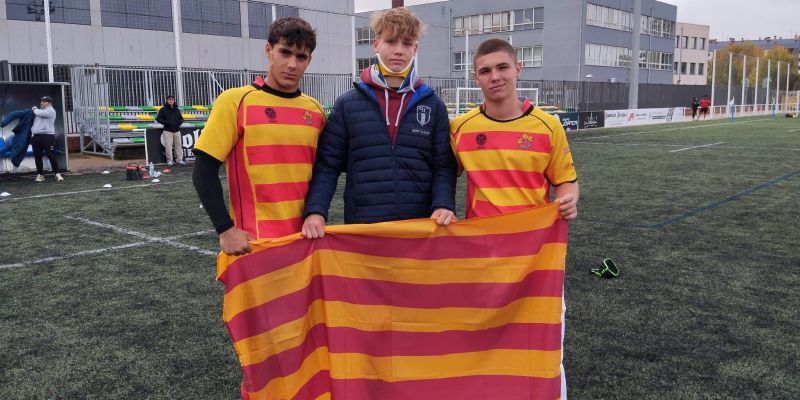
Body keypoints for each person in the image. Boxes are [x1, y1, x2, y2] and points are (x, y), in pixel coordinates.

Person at [191, 16, 322, 399]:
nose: (292, 64)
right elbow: (203, 171)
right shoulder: (236, 101)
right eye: (284, 53)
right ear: (268, 51)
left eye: (301, 56)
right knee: (259, 348)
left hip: (303, 249)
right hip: (254, 249)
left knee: (302, 337)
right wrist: (224, 228)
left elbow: (326, 173)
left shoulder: (315, 111)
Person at [450, 38, 578, 399]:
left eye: (502, 67)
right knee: (484, 344)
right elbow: (443, 178)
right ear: (476, 78)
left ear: (517, 69)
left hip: (536, 261)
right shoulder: (461, 128)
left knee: (544, 342)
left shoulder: (548, 126)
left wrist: (569, 200)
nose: (495, 77)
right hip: (482, 260)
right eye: (485, 71)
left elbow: (566, 181)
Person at [301, 7, 456, 238]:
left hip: (419, 227)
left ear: (415, 48)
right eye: (391, 41)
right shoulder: (347, 104)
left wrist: (443, 203)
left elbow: (443, 166)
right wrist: (316, 211)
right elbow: (327, 165)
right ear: (376, 45)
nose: (398, 50)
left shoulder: (433, 105)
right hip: (363, 226)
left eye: (406, 43)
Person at [30, 96, 62, 182]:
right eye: (41, 101)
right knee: (37, 156)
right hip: (36, 137)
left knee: (51, 155)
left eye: (43, 101)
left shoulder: (51, 111)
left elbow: (38, 112)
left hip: (48, 136)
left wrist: (34, 109)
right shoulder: (41, 111)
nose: (41, 103)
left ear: (48, 103)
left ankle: (57, 174)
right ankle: (40, 175)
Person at [155, 95, 185, 166]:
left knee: (178, 146)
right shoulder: (163, 109)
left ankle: (179, 160)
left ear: (174, 100)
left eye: (172, 99)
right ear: (167, 100)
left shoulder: (177, 109)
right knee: (168, 146)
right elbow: (158, 118)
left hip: (177, 130)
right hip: (167, 131)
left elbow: (181, 118)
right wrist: (166, 122)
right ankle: (169, 160)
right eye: (169, 99)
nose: (171, 101)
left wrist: (179, 123)